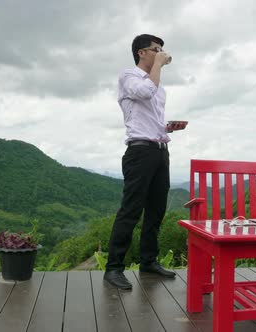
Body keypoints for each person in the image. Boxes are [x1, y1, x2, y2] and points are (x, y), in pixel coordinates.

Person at [104, 34, 178, 290]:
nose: (160, 53)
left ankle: (149, 261)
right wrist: (159, 65)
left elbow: (150, 116)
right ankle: (113, 268)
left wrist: (167, 127)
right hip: (139, 152)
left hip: (160, 150)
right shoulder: (129, 76)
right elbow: (146, 92)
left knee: (156, 210)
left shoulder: (160, 87)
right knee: (131, 210)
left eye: (162, 50)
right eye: (155, 49)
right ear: (141, 53)